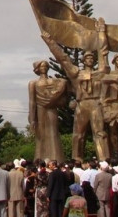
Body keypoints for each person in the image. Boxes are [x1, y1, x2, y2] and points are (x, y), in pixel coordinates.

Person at [41, 27, 110, 161]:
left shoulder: (100, 73)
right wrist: (49, 41)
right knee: (78, 135)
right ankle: (77, 159)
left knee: (100, 133)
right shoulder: (76, 74)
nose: (90, 59)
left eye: (91, 57)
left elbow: (103, 51)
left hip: (96, 103)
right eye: (87, 57)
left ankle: (104, 160)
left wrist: (101, 32)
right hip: (82, 104)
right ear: (83, 60)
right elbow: (62, 58)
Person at [28, 60, 68, 163]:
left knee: (53, 132)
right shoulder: (33, 83)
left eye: (46, 66)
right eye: (41, 66)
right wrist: (32, 119)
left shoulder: (53, 81)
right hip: (40, 108)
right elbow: (32, 101)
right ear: (37, 69)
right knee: (40, 134)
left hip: (51, 108)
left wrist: (55, 95)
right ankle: (39, 159)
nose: (44, 68)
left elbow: (64, 82)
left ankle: (57, 159)